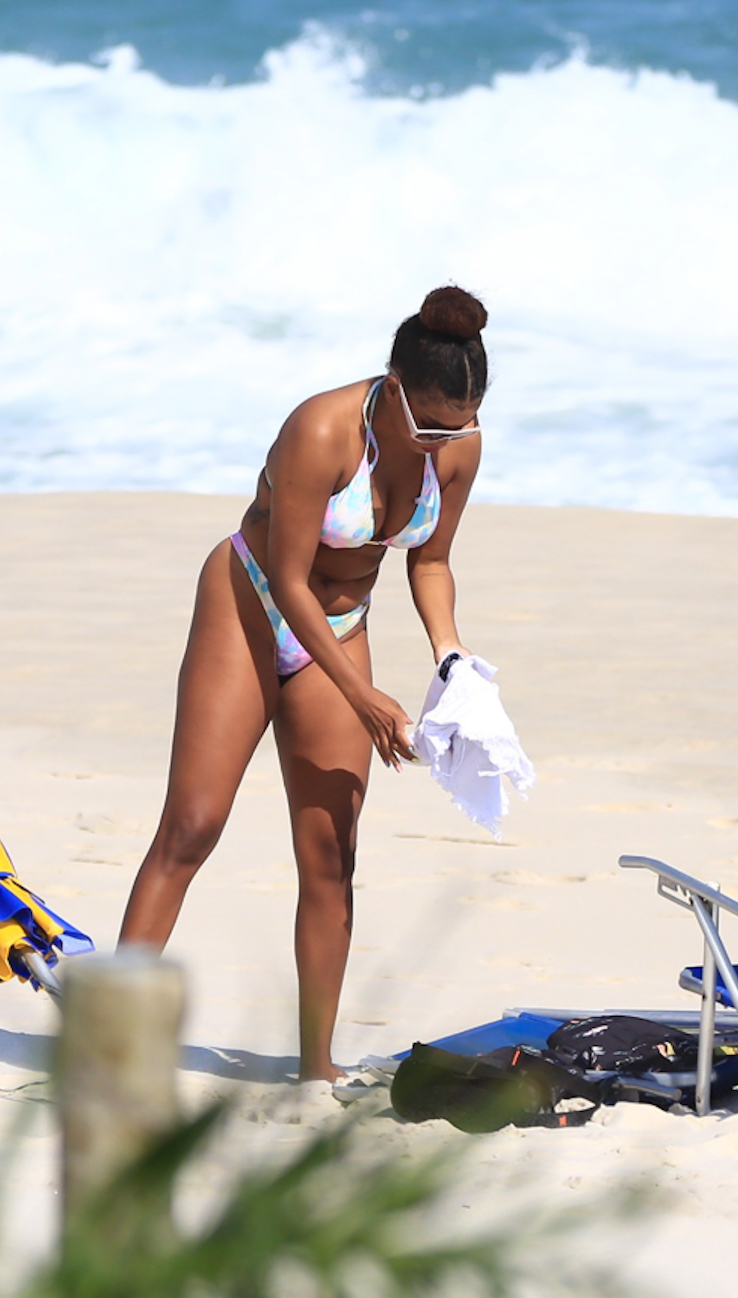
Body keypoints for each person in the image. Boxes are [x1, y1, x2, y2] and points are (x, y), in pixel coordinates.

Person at [117, 287, 489, 1082]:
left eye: (457, 426)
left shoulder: (459, 446)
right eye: (427, 423)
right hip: (252, 601)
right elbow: (288, 579)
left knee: (330, 857)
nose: (439, 442)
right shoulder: (321, 429)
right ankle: (109, 1049)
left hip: (344, 622)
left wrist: (451, 656)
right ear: (392, 383)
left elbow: (430, 561)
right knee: (191, 827)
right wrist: (365, 697)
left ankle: (316, 1069)